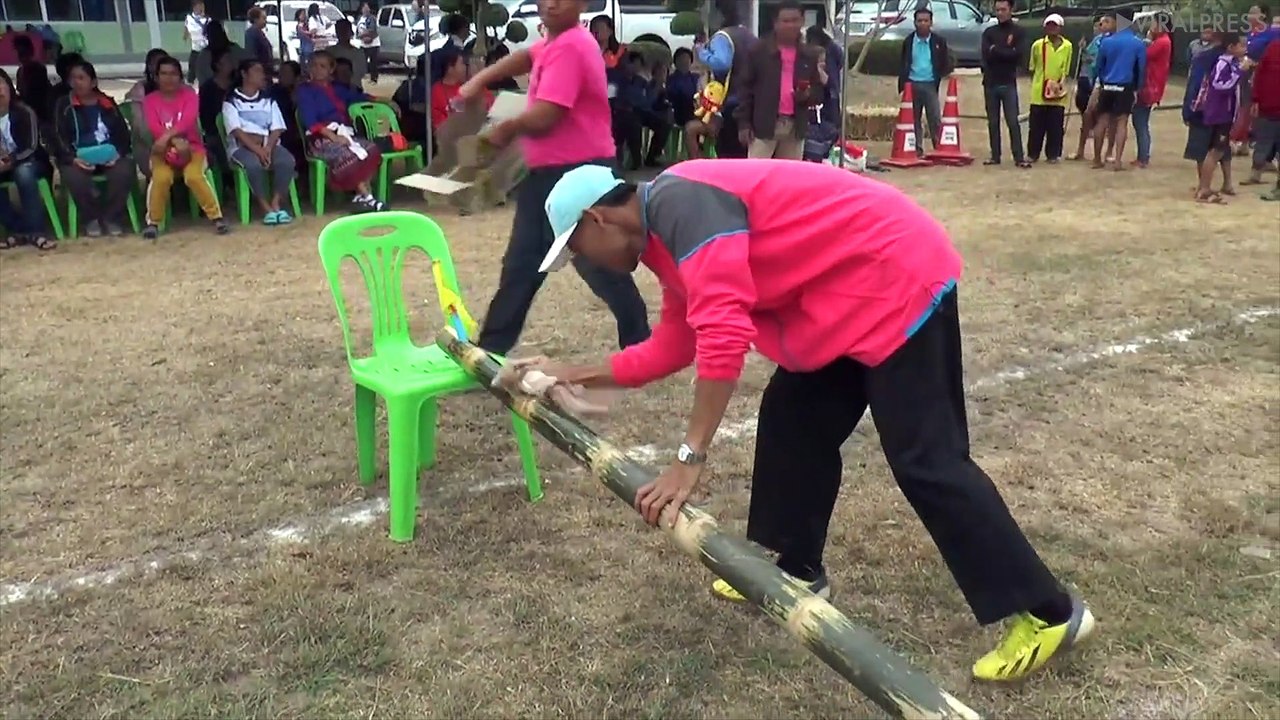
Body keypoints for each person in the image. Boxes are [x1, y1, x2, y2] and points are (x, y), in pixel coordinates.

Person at [532, 158, 1096, 683]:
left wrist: (689, 458)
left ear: (597, 218)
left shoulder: (684, 205)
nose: (584, 265)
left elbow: (724, 338)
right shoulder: (663, 236)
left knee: (926, 460)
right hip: (840, 299)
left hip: (894, 275)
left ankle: (1052, 613)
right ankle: (798, 570)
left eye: (577, 251)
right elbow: (677, 343)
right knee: (792, 419)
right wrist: (575, 373)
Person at [455, 0, 651, 357]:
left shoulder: (573, 45)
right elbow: (527, 56)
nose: (551, 3)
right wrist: (477, 81)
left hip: (580, 173)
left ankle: (640, 344)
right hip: (550, 173)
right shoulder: (556, 41)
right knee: (524, 264)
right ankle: (491, 352)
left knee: (599, 263)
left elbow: (548, 115)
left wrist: (506, 129)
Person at [141, 56, 229, 238]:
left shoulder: (190, 95)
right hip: (162, 150)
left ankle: (216, 217)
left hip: (193, 148)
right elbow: (153, 126)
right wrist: (174, 143)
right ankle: (153, 222)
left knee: (194, 176)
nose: (169, 78)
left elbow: (187, 121)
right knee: (161, 178)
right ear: (156, 77)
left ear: (180, 77)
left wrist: (170, 138)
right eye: (164, 74)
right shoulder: (149, 101)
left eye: (173, 74)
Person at [49, 59, 136, 238]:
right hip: (77, 156)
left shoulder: (107, 103)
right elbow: (57, 136)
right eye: (73, 78)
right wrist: (72, 158)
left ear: (93, 82)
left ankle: (112, 218)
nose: (76, 82)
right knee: (75, 178)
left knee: (124, 171)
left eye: (81, 78)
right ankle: (91, 218)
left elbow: (123, 134)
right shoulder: (64, 105)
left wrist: (118, 154)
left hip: (109, 154)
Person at [295, 51, 388, 211]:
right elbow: (311, 122)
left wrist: (387, 101)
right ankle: (368, 198)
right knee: (349, 156)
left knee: (371, 149)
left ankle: (360, 197)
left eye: (322, 66)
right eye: (314, 65)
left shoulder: (338, 89)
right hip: (319, 139)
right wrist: (334, 137)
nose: (317, 69)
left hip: (345, 134)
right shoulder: (305, 91)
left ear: (331, 69)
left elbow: (360, 97)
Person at [736, 0, 824, 160]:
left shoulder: (809, 55)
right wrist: (744, 124)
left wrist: (807, 95)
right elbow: (745, 89)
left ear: (802, 21)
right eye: (785, 21)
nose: (790, 25)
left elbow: (818, 92)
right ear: (775, 23)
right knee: (757, 171)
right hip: (764, 126)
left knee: (790, 173)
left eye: (795, 20)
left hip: (795, 128)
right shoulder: (758, 51)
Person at [224, 59, 298, 224]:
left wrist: (268, 147)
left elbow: (277, 128)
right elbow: (237, 132)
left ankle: (276, 203)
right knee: (253, 165)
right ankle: (265, 207)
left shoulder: (269, 100)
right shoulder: (231, 101)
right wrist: (258, 150)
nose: (262, 75)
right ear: (244, 74)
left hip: (268, 145)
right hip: (241, 148)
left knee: (286, 160)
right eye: (257, 71)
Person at [0, 69, 53, 250]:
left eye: (1, 84)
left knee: (24, 174)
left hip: (30, 161)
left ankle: (36, 231)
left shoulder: (24, 111)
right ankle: (18, 229)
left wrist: (10, 162)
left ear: (9, 87)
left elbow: (31, 146)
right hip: (3, 165)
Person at [697, 2, 756, 158]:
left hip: (729, 101)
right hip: (750, 101)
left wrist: (702, 53)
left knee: (727, 152)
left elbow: (722, 64)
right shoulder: (749, 35)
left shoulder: (723, 37)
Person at [1195, 33, 1248, 203]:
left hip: (1225, 114)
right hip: (1219, 114)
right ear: (1231, 47)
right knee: (1215, 152)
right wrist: (1239, 72)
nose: (1244, 49)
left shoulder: (1231, 63)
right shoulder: (1222, 63)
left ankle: (1205, 187)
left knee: (1217, 151)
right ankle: (1204, 189)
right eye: (1241, 46)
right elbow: (1219, 85)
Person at [1090, 13, 1146, 171]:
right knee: (1122, 122)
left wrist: (1100, 82)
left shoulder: (1106, 42)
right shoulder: (1138, 43)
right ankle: (1118, 161)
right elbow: (1141, 68)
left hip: (1107, 85)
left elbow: (1098, 66)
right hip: (1125, 85)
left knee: (1102, 121)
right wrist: (1138, 88)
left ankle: (1097, 159)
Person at [898, 6, 952, 160]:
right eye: (919, 21)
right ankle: (916, 149)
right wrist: (903, 84)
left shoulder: (938, 41)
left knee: (934, 117)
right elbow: (903, 62)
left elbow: (945, 61)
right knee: (913, 119)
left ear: (931, 22)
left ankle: (939, 147)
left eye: (926, 21)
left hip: (930, 84)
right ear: (914, 22)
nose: (922, 24)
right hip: (911, 84)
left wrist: (940, 74)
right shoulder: (908, 41)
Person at [980, 0, 1027, 167]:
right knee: (992, 122)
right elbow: (986, 54)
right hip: (990, 82)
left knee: (1012, 121)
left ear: (1011, 9)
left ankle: (1019, 157)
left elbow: (1018, 55)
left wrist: (996, 50)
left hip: (1008, 82)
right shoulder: (989, 32)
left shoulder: (1019, 32)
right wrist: (1006, 52)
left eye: (1003, 9)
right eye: (997, 10)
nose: (1000, 13)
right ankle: (995, 155)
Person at [1183, 32, 1230, 194]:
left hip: (1202, 110)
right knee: (1222, 147)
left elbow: (1194, 84)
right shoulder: (1232, 61)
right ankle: (1227, 183)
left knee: (1201, 149)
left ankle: (1203, 185)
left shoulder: (1202, 58)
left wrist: (1187, 110)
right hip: (1224, 111)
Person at [611, 51, 672, 170]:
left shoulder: (641, 81)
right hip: (623, 112)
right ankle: (635, 159)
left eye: (639, 65)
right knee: (633, 123)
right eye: (634, 64)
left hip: (642, 110)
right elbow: (627, 99)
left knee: (664, 124)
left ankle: (652, 157)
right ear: (626, 64)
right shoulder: (618, 79)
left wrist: (657, 86)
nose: (636, 67)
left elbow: (649, 100)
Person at [1026, 14, 1072, 163]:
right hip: (1039, 91)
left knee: (1055, 125)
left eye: (1055, 25)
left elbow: (1066, 68)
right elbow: (1032, 66)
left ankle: (1053, 154)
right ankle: (1033, 153)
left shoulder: (1068, 46)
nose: (1052, 28)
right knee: (1036, 126)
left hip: (1058, 90)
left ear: (1060, 27)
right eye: (1049, 25)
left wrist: (1060, 84)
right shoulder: (1038, 45)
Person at [1131, 15, 1171, 168]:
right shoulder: (1162, 40)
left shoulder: (1162, 42)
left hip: (1150, 86)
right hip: (1151, 85)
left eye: (1154, 23)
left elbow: (1145, 54)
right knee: (1140, 121)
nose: (1151, 27)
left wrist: (1147, 40)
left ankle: (1143, 157)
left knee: (1140, 122)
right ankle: (1142, 156)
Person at [1068, 18, 1107, 161]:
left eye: (1101, 24)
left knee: (1097, 117)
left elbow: (1099, 61)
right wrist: (1083, 49)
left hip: (1096, 81)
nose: (1098, 27)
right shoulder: (1095, 40)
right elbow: (1086, 58)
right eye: (1097, 25)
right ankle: (1081, 150)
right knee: (1085, 114)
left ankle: (1101, 153)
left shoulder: (1108, 41)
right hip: (1085, 78)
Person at [430, 45, 491, 131]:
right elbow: (440, 124)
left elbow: (489, 104)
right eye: (462, 64)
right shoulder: (437, 91)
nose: (465, 68)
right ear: (450, 68)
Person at [1251, 35, 1280, 199]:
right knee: (1262, 140)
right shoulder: (1273, 48)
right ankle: (1255, 174)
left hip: (1270, 106)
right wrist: (1256, 99)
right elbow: (1259, 74)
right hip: (1268, 107)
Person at [199, 47, 236, 173]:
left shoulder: (236, 86)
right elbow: (205, 116)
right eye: (227, 60)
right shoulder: (208, 88)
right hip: (215, 133)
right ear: (218, 65)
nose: (232, 63)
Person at [13, 35, 53, 124]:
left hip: (38, 115)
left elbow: (36, 95)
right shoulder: (21, 71)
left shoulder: (38, 69)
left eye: (22, 52)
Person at [329, 19, 369, 89]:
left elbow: (362, 73)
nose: (342, 33)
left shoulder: (359, 53)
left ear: (351, 32)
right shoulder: (329, 52)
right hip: (334, 89)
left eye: (345, 30)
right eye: (340, 31)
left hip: (355, 88)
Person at [667, 47, 699, 131]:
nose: (684, 62)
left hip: (694, 109)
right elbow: (671, 95)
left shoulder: (695, 78)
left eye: (687, 59)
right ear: (675, 62)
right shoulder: (670, 79)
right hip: (678, 111)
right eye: (681, 59)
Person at [184, 0, 211, 84]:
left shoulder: (208, 19)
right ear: (194, 7)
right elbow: (186, 28)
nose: (202, 8)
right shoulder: (189, 18)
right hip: (195, 49)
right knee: (192, 69)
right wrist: (185, 36)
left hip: (206, 49)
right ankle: (189, 84)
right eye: (199, 6)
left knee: (207, 69)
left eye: (202, 6)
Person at [356, 2, 381, 84]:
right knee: (361, 60)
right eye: (365, 8)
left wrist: (363, 35)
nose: (366, 10)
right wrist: (360, 36)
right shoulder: (360, 19)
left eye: (367, 8)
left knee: (373, 63)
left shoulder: (372, 18)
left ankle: (374, 78)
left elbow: (372, 30)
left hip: (373, 44)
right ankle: (362, 75)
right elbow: (358, 31)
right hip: (363, 44)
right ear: (362, 9)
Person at [244, 7, 275, 73]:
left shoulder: (259, 32)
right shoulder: (252, 33)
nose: (265, 21)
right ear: (256, 19)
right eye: (263, 18)